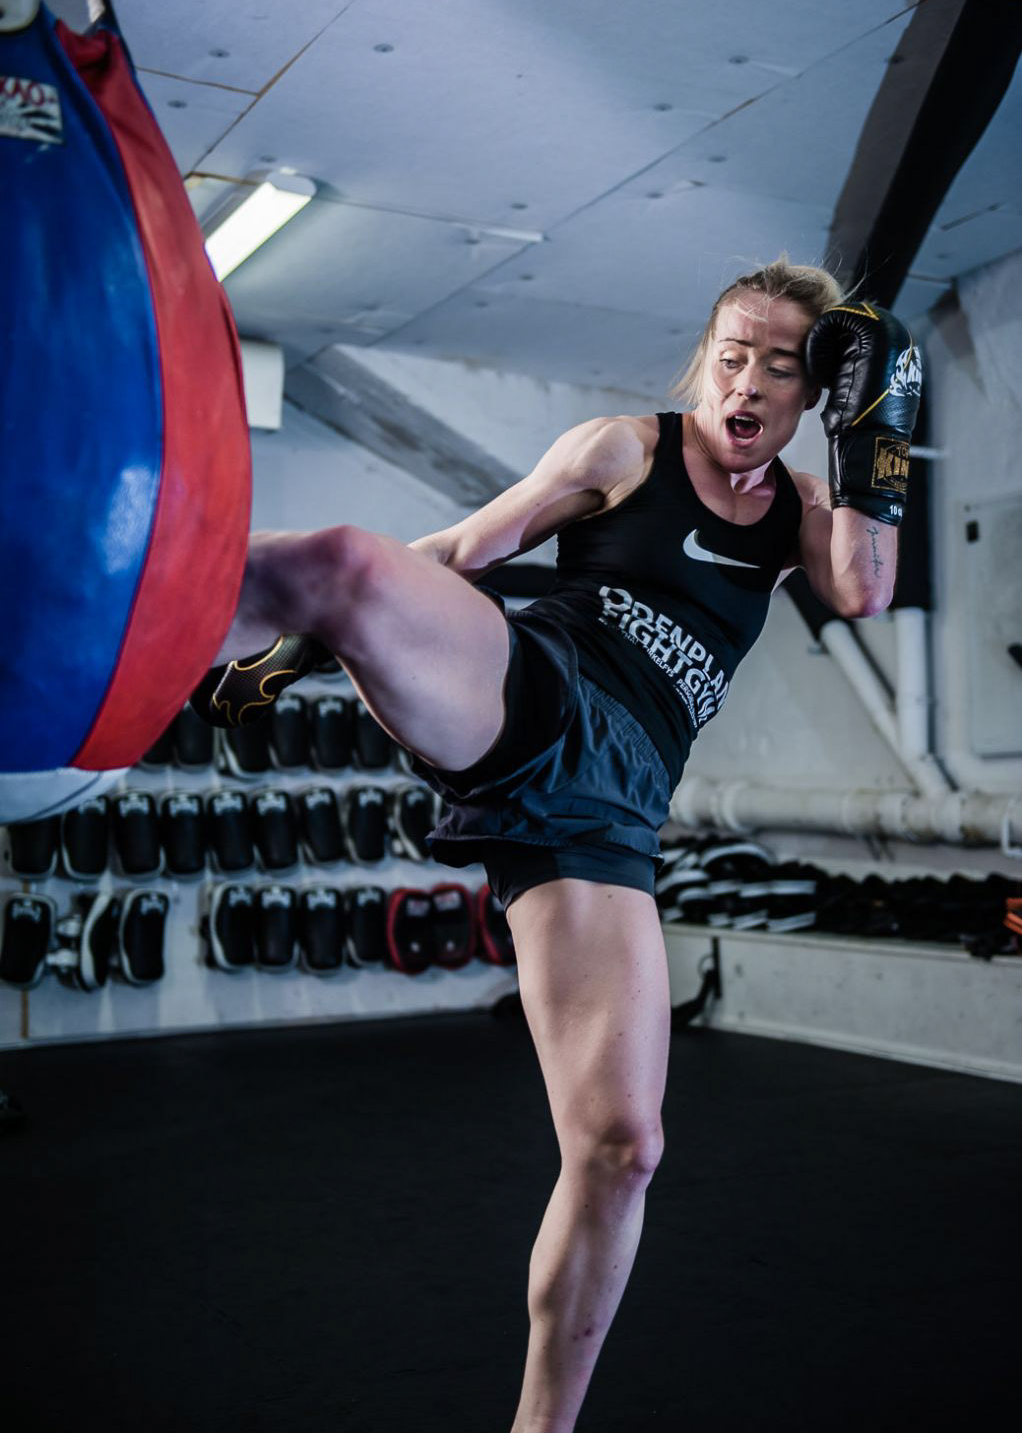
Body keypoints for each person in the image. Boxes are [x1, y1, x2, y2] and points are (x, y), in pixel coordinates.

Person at [192, 257, 921, 1433]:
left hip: (609, 812)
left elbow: (865, 589)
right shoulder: (621, 449)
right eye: (730, 353)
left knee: (623, 1147)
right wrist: (311, 642)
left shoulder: (799, 513)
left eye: (779, 366)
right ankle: (100, 612)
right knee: (338, 562)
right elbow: (470, 551)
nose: (746, 380)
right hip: (531, 692)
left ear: (809, 395)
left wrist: (882, 419)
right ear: (702, 358)